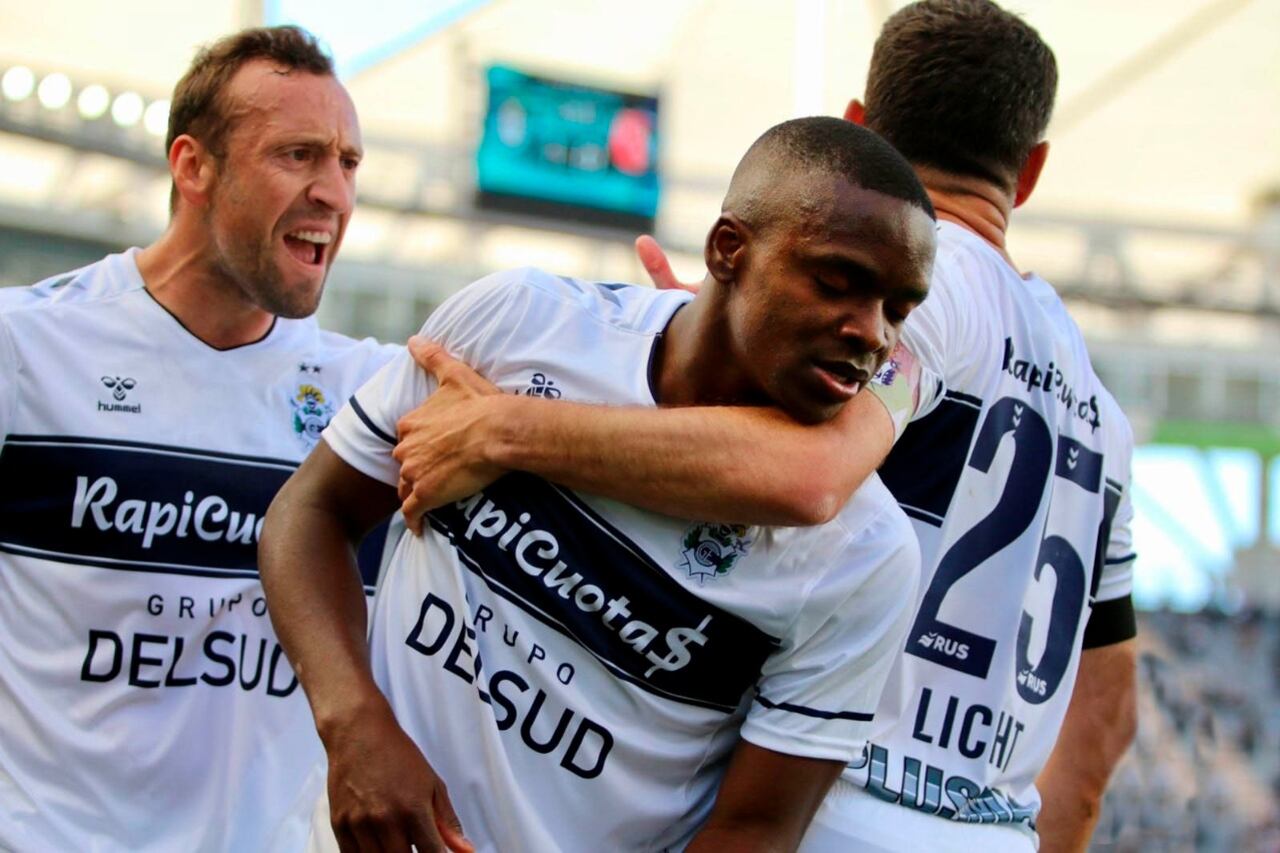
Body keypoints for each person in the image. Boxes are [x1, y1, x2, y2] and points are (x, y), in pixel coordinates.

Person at [390, 2, 1137, 851]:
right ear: (1031, 170)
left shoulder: (936, 286)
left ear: (858, 129)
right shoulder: (1100, 409)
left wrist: (501, 427)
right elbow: (1108, 712)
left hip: (833, 807)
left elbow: (809, 475)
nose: (872, 323)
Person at [259, 116, 936, 852]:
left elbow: (754, 830)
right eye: (837, 283)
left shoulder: (867, 553)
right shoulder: (520, 324)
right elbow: (312, 512)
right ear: (728, 251)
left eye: (899, 309)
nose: (872, 333)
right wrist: (355, 721)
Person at [0, 26, 398, 851]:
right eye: (298, 155)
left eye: (347, 162)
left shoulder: (376, 394)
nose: (335, 192)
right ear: (193, 166)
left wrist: (685, 341)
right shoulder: (26, 348)